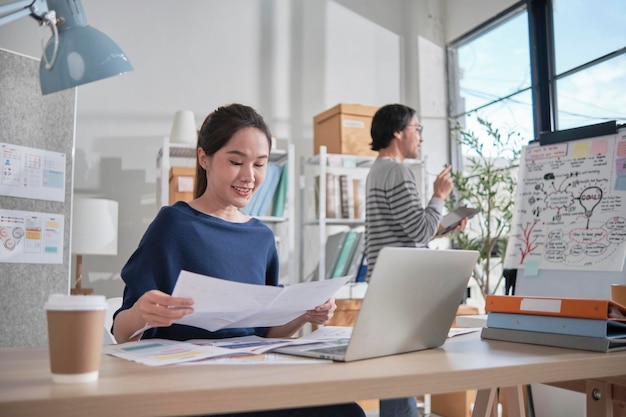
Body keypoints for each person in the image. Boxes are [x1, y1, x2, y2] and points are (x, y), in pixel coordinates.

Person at [113, 103, 365, 417]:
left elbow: (265, 331)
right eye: (236, 161)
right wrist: (141, 312)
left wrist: (304, 313)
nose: (249, 176)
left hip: (252, 375)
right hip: (189, 384)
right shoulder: (173, 225)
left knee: (345, 411)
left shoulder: (261, 236)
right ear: (204, 158)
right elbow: (122, 332)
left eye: (260, 165)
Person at [364, 103, 466, 417]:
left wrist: (443, 225)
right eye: (417, 128)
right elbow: (420, 230)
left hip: (386, 284)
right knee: (400, 379)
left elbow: (406, 230)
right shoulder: (397, 171)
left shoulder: (377, 171)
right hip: (401, 288)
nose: (420, 136)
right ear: (398, 131)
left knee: (395, 379)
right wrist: (439, 196)